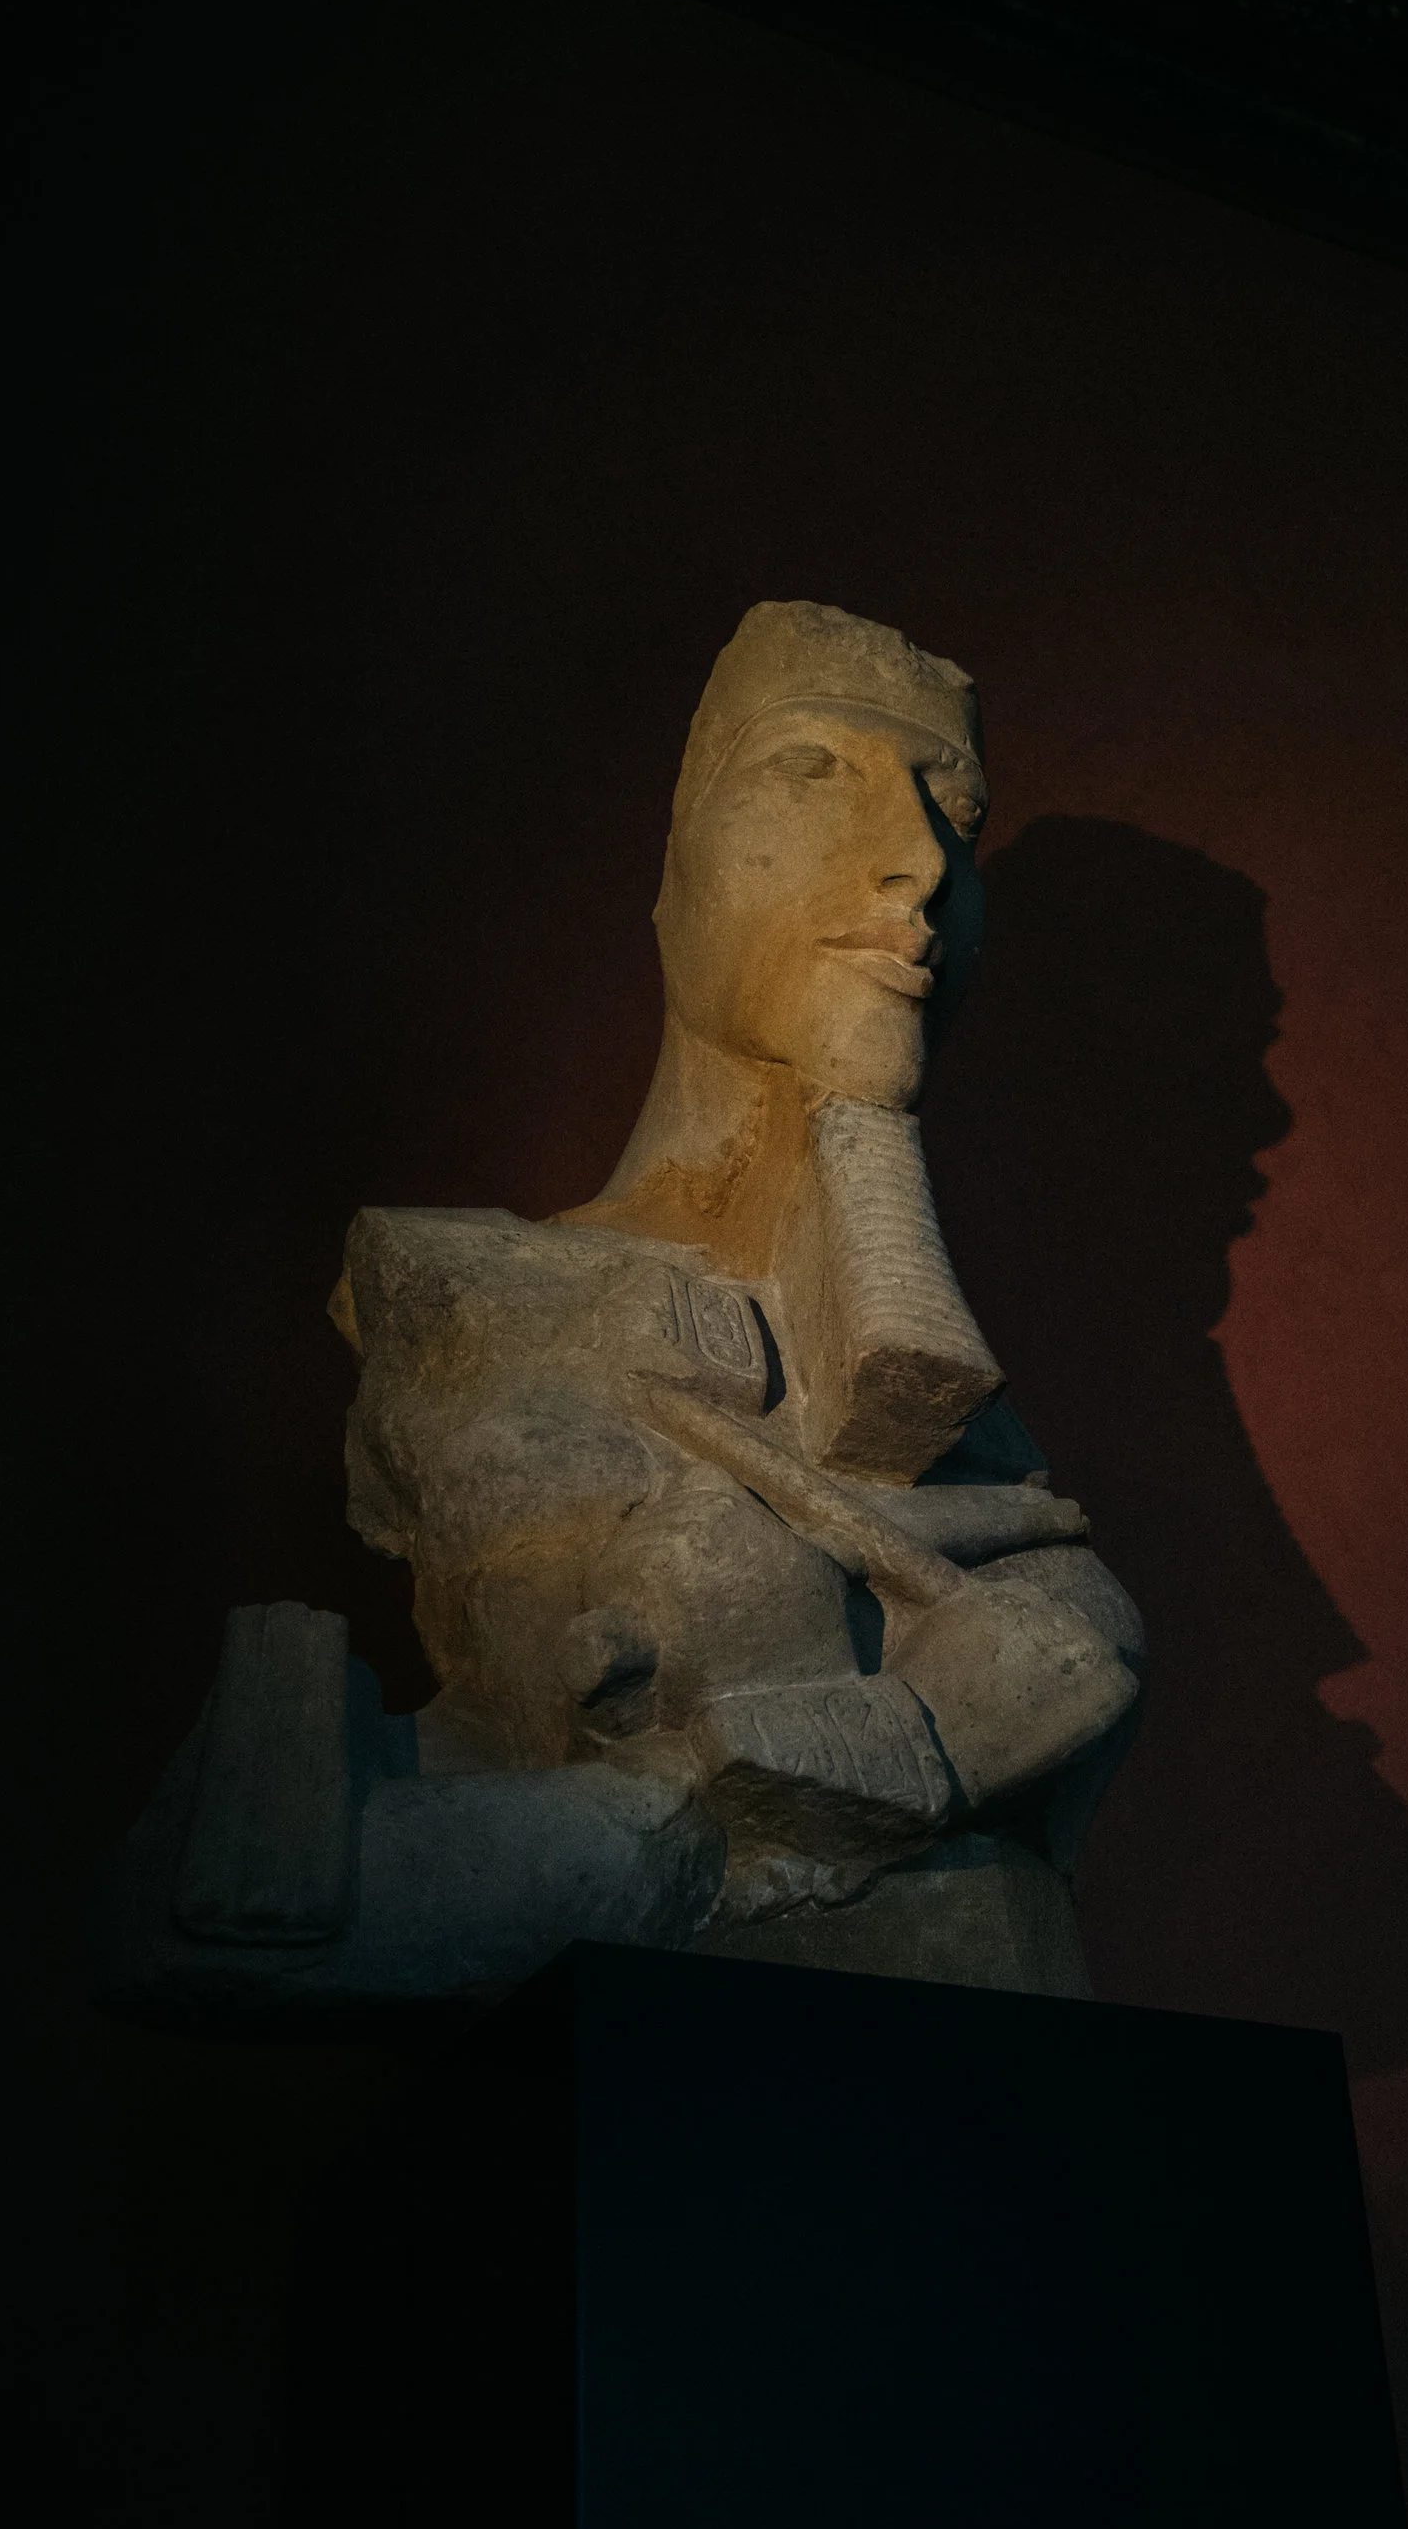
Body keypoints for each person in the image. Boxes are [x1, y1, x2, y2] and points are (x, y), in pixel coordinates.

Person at [99, 602, 1143, 2018]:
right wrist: (800, 1773)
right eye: (812, 767)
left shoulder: (939, 1396)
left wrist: (913, 1735)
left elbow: (1069, 1656)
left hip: (874, 2021)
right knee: (230, 1899)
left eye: (958, 813)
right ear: (681, 859)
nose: (921, 861)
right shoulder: (456, 1285)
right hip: (605, 1955)